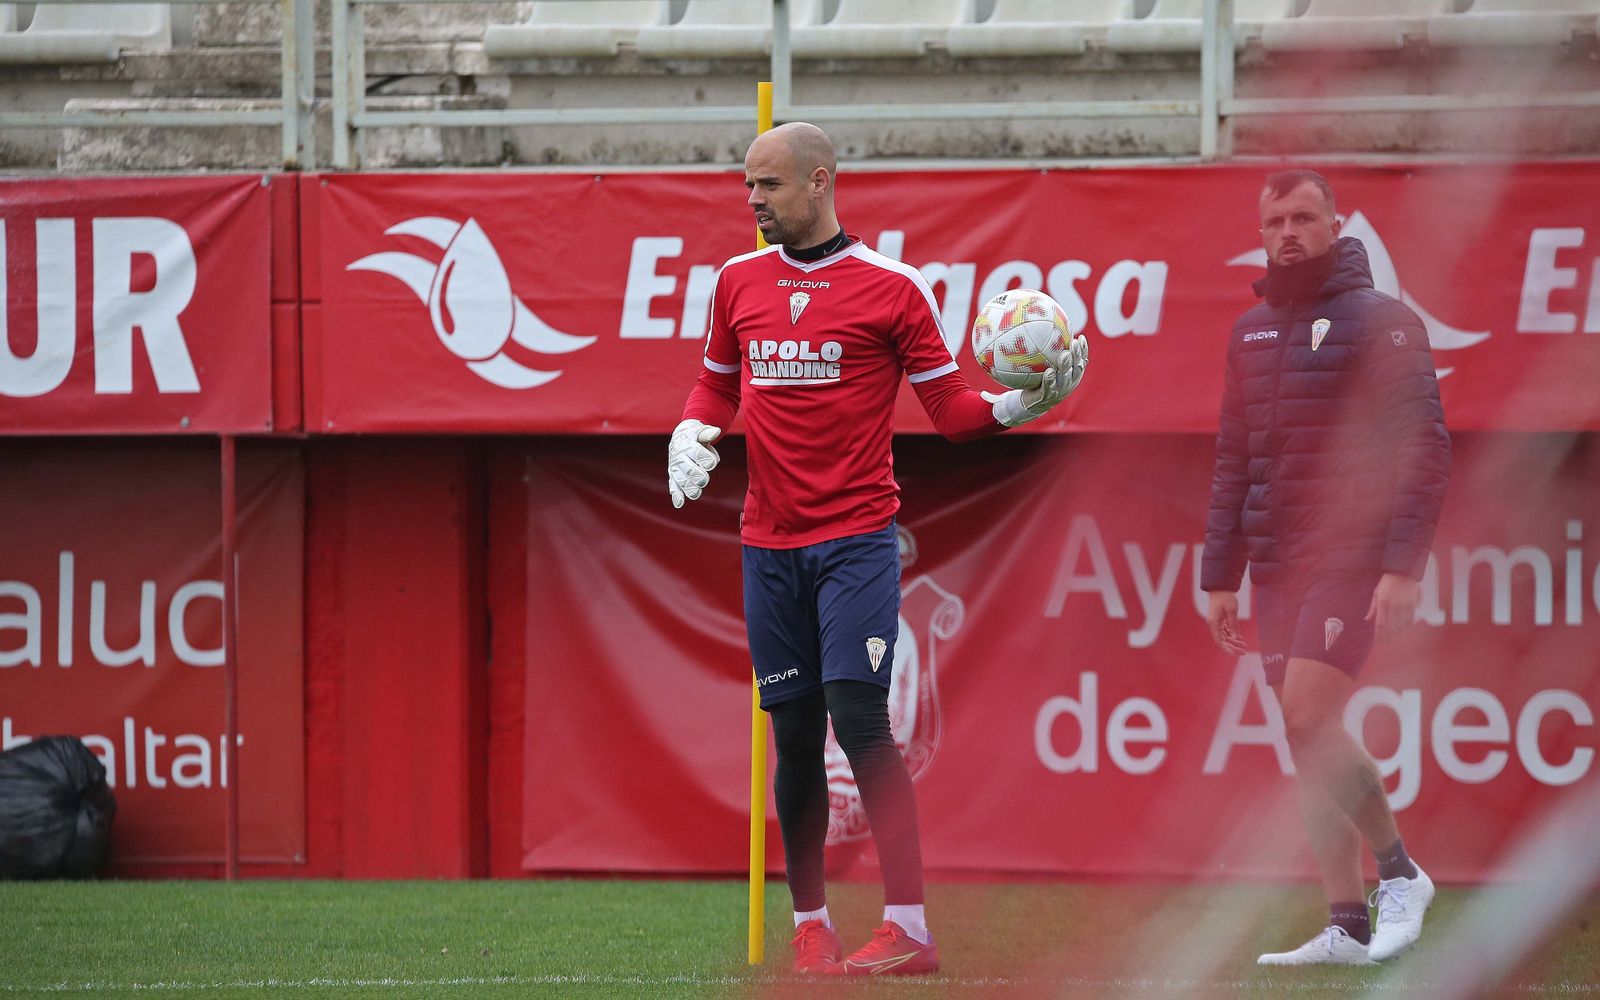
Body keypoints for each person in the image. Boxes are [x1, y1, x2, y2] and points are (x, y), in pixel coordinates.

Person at [668, 122, 1087, 976]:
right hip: (767, 545)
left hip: (857, 542)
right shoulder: (735, 281)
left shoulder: (894, 288)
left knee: (860, 722)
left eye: (770, 187)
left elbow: (954, 413)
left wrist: (1020, 405)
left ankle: (911, 929)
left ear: (819, 182)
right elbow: (715, 381)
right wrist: (691, 428)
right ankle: (812, 926)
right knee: (792, 737)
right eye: (747, 187)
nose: (754, 202)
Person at [1201, 169, 1451, 966]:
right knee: (1304, 739)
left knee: (1311, 715)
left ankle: (1401, 874)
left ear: (1336, 226)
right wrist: (1219, 574)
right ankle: (1346, 923)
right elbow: (1235, 460)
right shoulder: (1250, 332)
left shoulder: (1385, 322)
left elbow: (1426, 449)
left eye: (1304, 217)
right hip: (1276, 563)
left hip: (1352, 552)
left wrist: (1402, 566)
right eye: (1275, 220)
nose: (1289, 232)